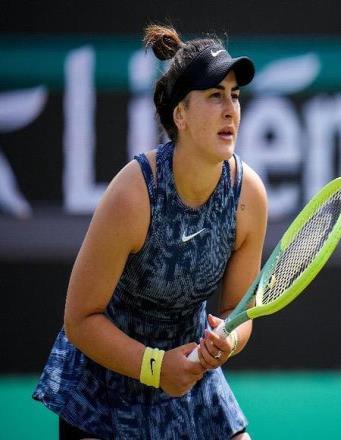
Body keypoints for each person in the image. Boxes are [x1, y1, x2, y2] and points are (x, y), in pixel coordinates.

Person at [33, 24, 268, 440]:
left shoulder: (248, 195)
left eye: (234, 95)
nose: (231, 109)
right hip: (105, 384)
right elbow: (80, 319)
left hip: (188, 372)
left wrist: (228, 341)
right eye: (215, 95)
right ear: (181, 115)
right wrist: (155, 368)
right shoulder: (133, 195)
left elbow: (238, 310)